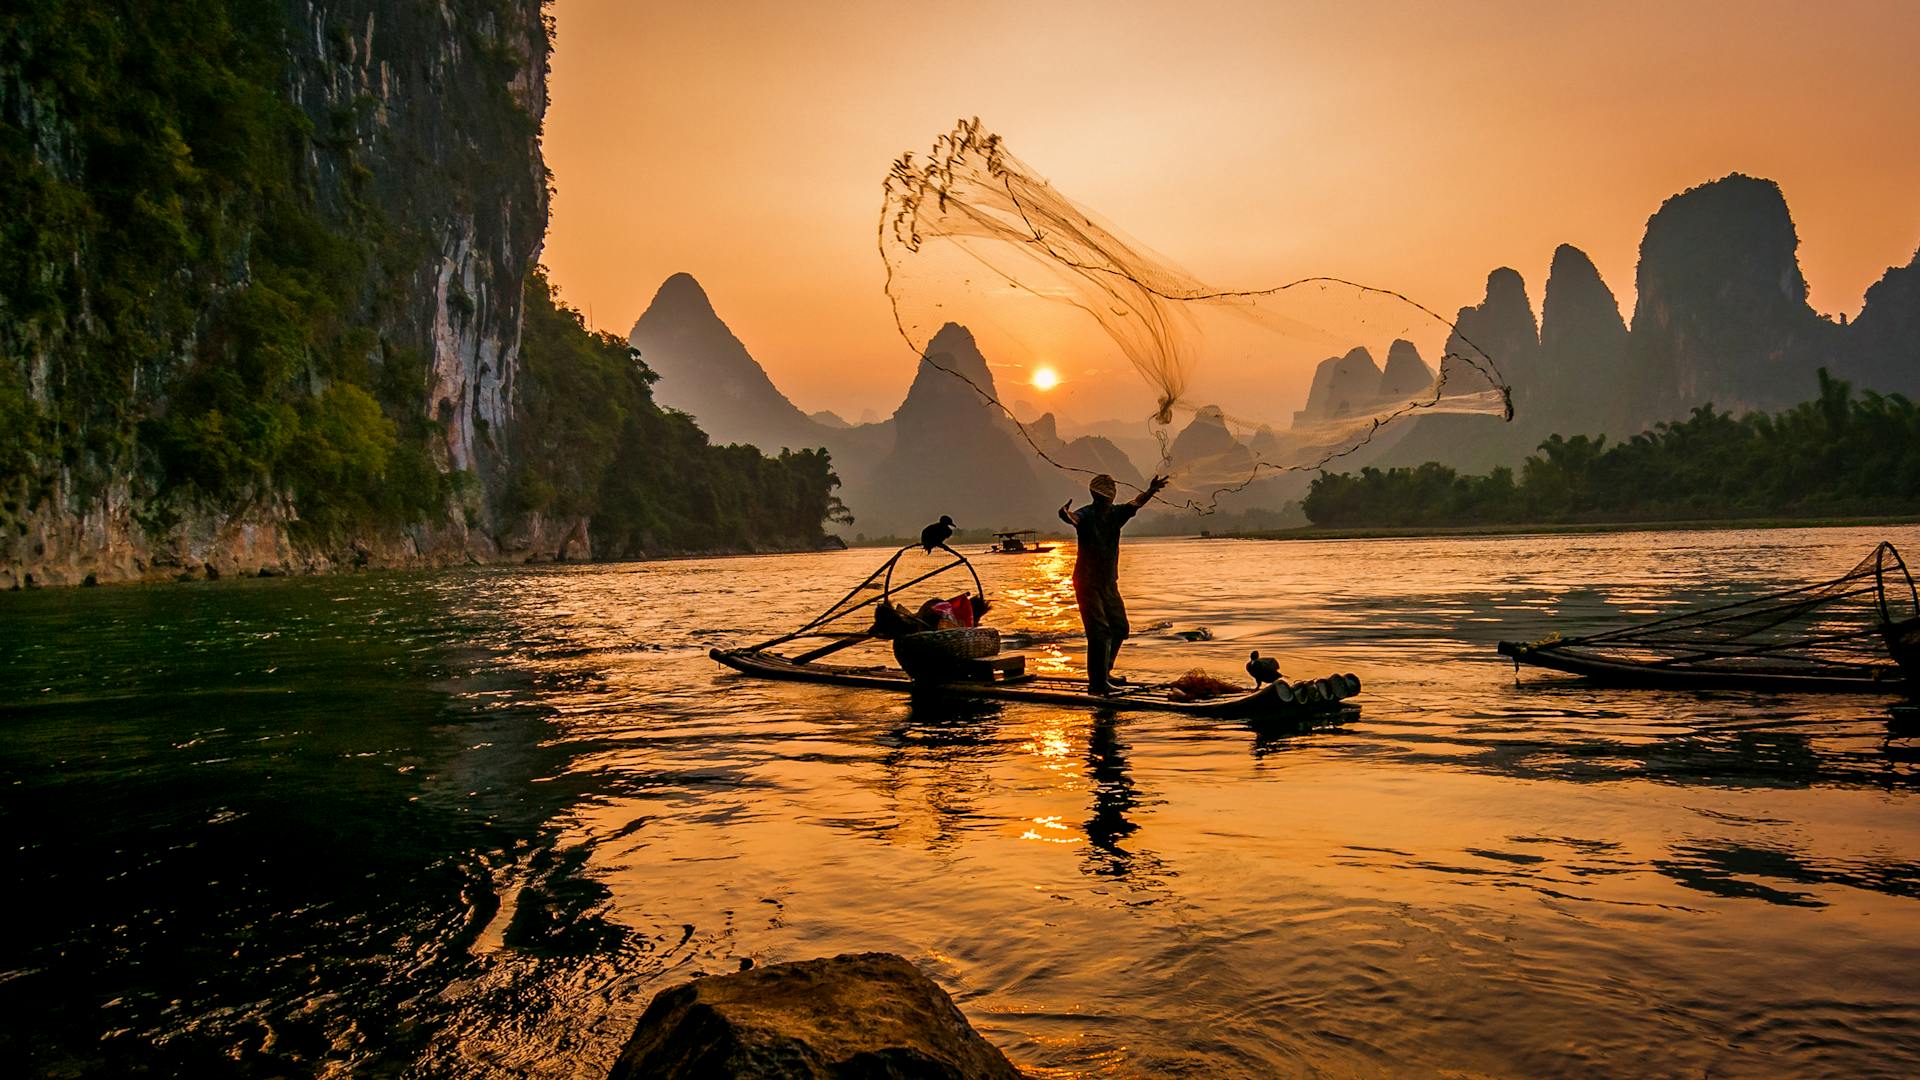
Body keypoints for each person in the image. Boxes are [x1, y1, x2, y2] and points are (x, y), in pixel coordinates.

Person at [1059, 472, 1169, 694]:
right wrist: (1064, 513)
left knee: (1119, 627)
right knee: (1099, 631)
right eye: (1103, 497)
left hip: (1108, 581)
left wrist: (1150, 491)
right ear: (1096, 497)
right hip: (1087, 582)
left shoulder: (1117, 513)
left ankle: (1105, 672)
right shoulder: (1086, 514)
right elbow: (1073, 518)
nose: (1106, 500)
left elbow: (1136, 503)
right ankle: (1097, 684)